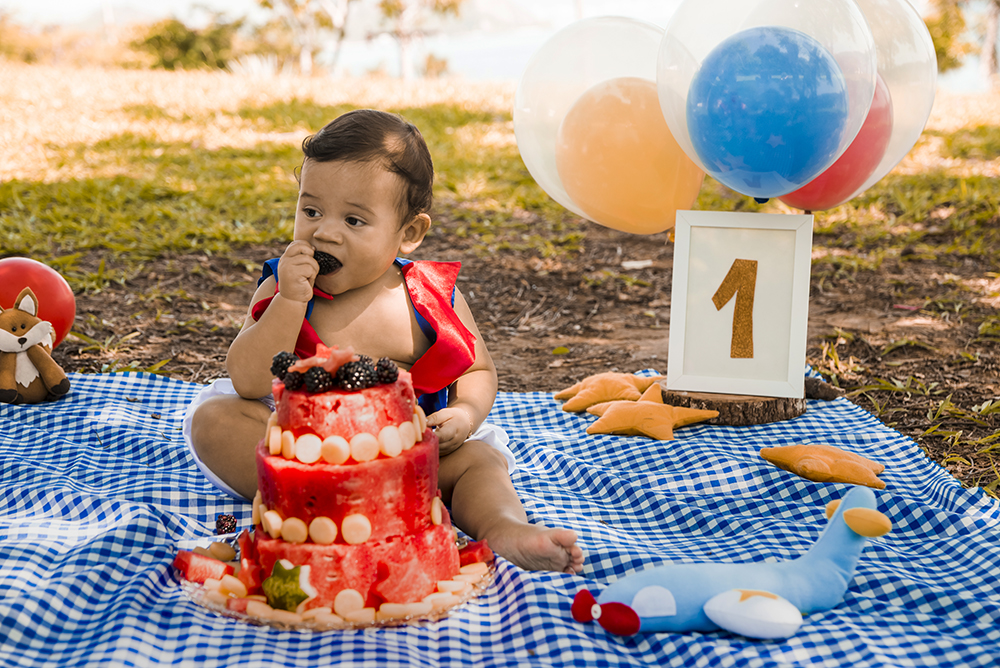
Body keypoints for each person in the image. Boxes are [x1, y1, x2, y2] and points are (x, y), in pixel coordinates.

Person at [184, 109, 584, 575]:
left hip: (406, 458)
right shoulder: (284, 287)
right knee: (216, 420)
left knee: (479, 460)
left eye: (354, 221)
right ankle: (328, 509)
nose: (325, 231)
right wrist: (290, 304)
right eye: (311, 211)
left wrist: (465, 413)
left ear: (409, 233)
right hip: (306, 459)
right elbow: (246, 379)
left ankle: (504, 528)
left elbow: (476, 369)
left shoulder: (428, 296)